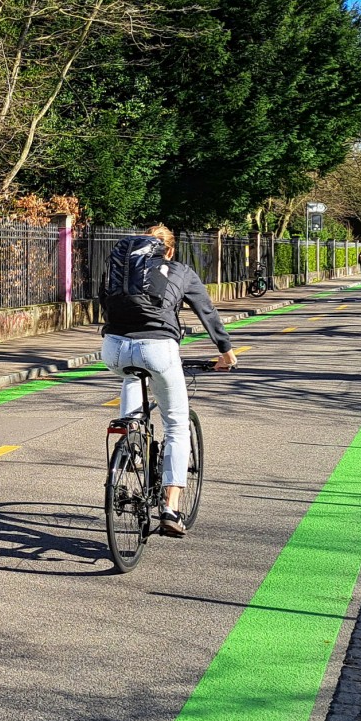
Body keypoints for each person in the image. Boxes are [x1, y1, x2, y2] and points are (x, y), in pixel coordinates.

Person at [100, 225, 238, 537]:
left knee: (131, 375)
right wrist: (225, 352)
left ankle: (131, 438)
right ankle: (170, 508)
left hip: (113, 348)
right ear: (169, 250)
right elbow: (207, 311)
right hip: (158, 349)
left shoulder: (121, 268)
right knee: (176, 423)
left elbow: (104, 302)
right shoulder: (180, 270)